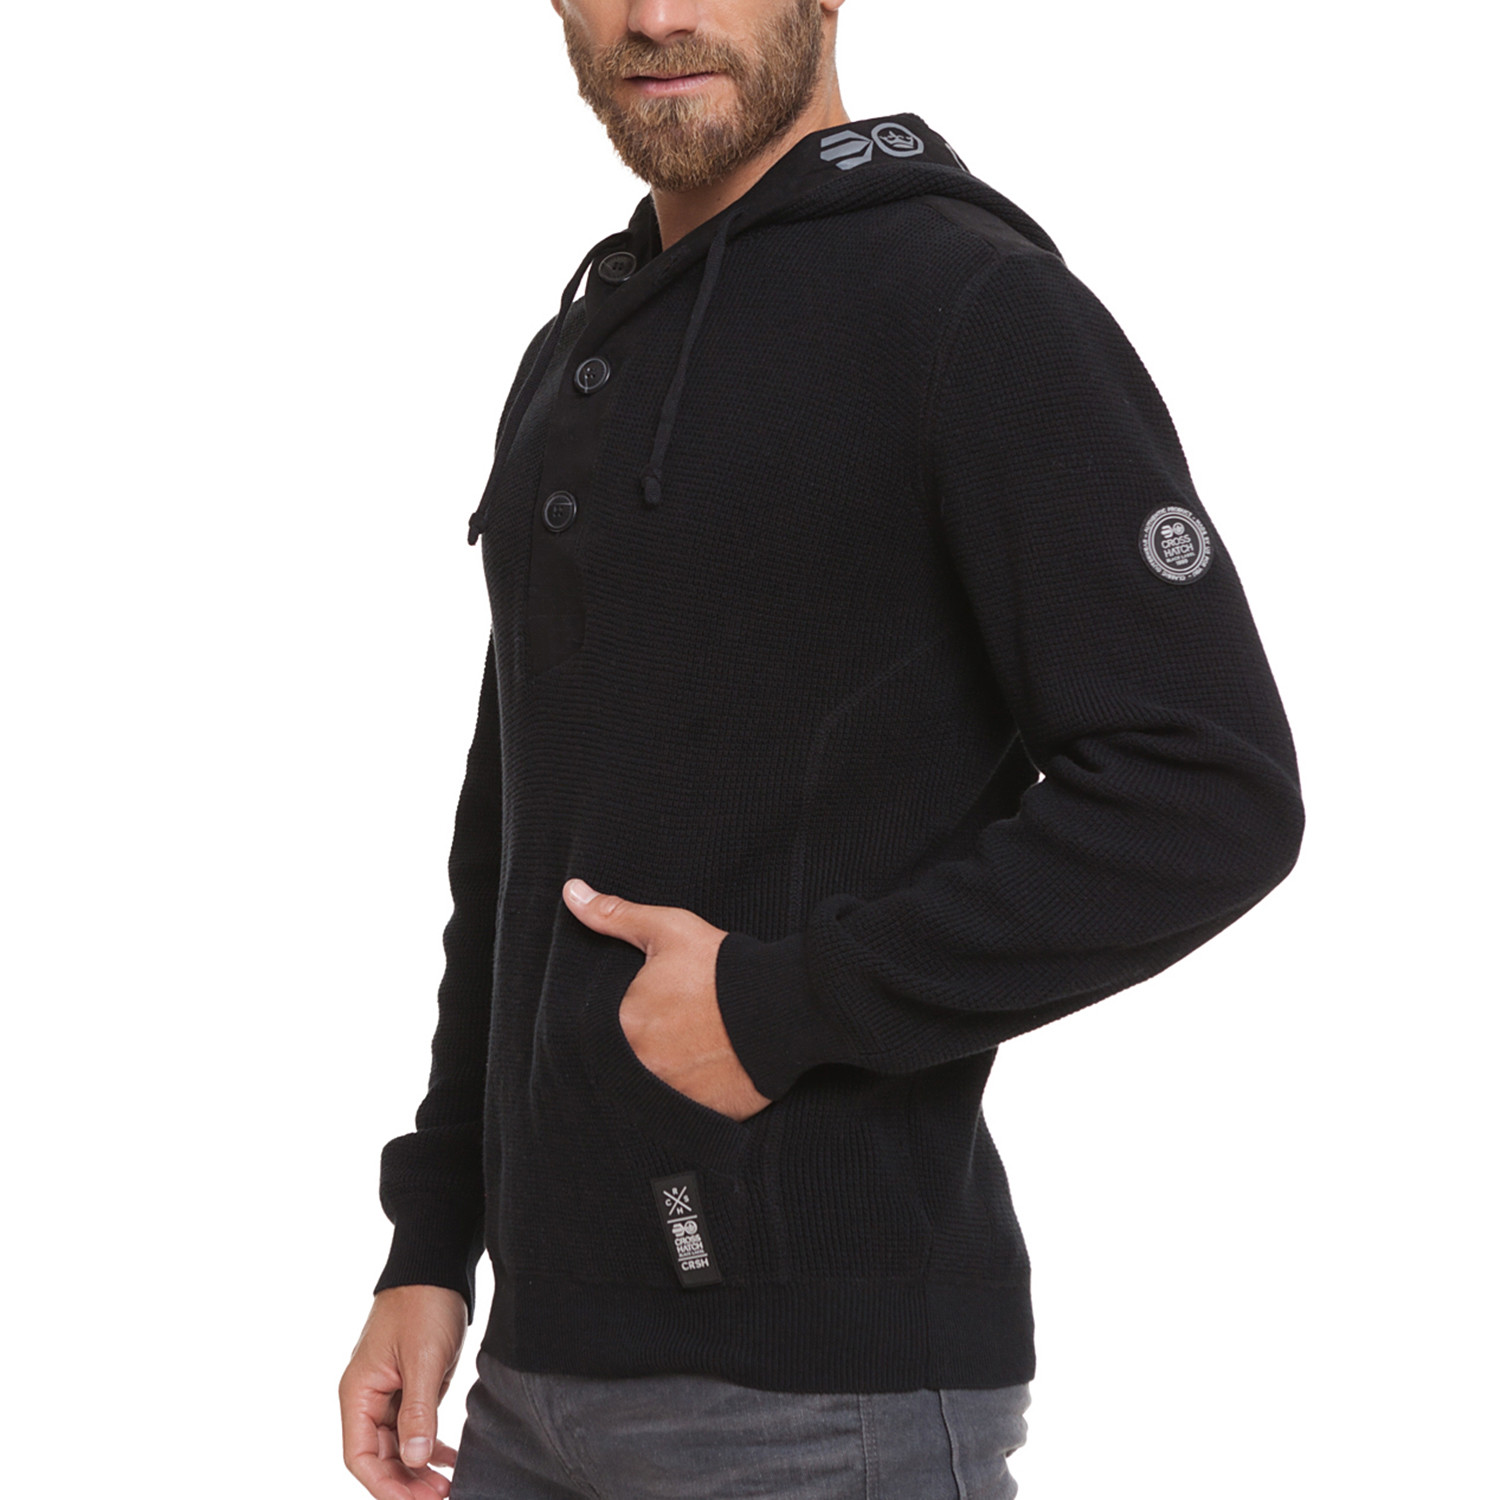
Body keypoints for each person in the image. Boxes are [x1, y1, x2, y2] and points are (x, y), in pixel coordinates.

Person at [338, 1, 1306, 1495]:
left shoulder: (974, 307)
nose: (657, 14)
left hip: (819, 1409)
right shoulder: (583, 345)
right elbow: (515, 829)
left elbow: (1208, 787)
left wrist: (784, 1005)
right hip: (531, 1387)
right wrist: (432, 1238)